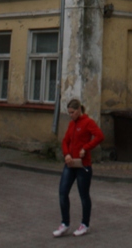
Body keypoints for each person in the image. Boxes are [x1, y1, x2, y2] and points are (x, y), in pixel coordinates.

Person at [53, 98, 105, 237]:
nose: (70, 115)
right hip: (70, 164)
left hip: (83, 165)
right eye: (69, 113)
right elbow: (65, 141)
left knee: (83, 195)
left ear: (78, 110)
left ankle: (85, 224)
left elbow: (100, 136)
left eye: (72, 112)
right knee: (63, 192)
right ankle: (65, 223)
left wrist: (86, 148)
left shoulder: (88, 122)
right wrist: (66, 154)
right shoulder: (71, 125)